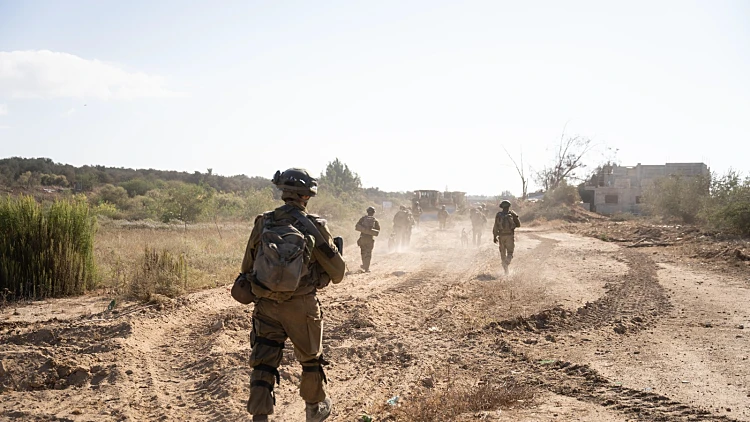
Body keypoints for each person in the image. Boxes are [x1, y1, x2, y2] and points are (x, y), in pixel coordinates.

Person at [237, 168, 346, 422]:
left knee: (263, 361)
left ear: (283, 192)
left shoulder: (264, 221)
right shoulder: (316, 227)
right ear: (306, 196)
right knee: (310, 360)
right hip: (301, 306)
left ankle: (260, 417)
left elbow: (246, 268)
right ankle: (313, 410)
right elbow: (338, 273)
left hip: (265, 304)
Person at [493, 200, 521, 275]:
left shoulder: (498, 215)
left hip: (501, 236)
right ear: (509, 206)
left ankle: (506, 271)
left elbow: (495, 226)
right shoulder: (512, 214)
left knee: (503, 254)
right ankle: (507, 262)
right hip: (510, 236)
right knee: (510, 253)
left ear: (502, 207)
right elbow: (518, 224)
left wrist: (494, 236)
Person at [355, 206, 380, 272]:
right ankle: (367, 268)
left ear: (367, 211)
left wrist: (364, 229)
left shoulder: (363, 219)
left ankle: (364, 264)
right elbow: (378, 230)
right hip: (370, 238)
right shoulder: (375, 220)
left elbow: (357, 226)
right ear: (374, 213)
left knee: (363, 252)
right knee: (369, 253)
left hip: (363, 237)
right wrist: (370, 230)